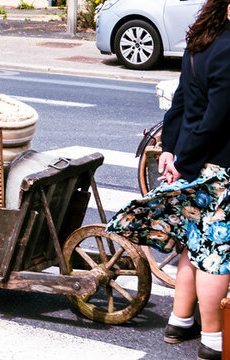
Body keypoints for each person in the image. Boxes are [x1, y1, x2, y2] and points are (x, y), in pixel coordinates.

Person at [106, 1, 230, 359]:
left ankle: (180, 320)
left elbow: (180, 103)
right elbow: (216, 120)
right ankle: (214, 339)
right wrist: (184, 161)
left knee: (195, 243)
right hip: (218, 167)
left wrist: (170, 150)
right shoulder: (228, 49)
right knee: (217, 254)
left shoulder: (201, 41)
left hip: (195, 161)